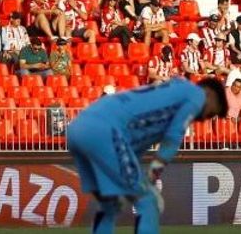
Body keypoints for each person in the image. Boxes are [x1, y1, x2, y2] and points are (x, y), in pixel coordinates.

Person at [66, 77, 228, 234]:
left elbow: (130, 147)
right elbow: (174, 135)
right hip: (106, 132)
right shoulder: (196, 94)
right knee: (149, 201)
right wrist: (153, 175)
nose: (204, 119)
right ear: (210, 94)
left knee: (110, 204)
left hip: (78, 128)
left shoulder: (172, 90)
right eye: (210, 113)